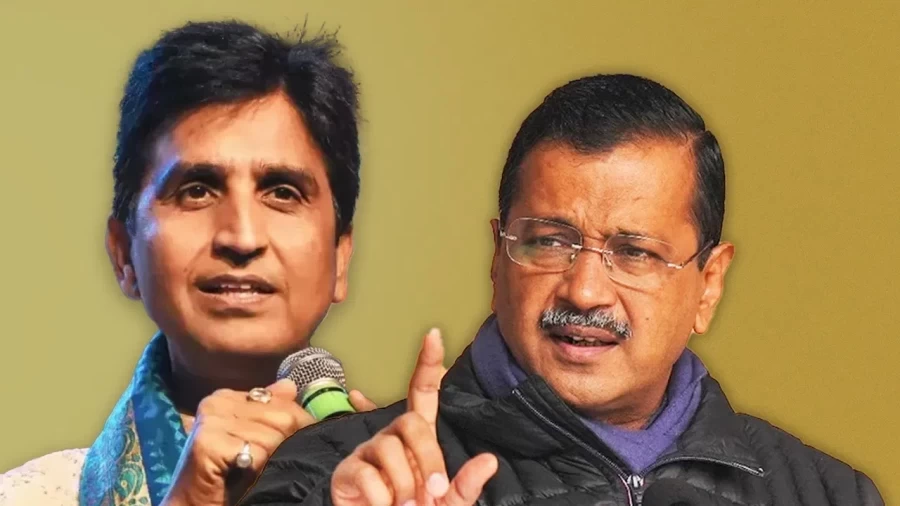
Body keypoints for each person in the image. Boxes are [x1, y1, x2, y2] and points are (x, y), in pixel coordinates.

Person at [239, 74, 884, 506]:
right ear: (498, 258)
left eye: (634, 252)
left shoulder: (827, 493)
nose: (585, 291)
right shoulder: (330, 476)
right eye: (549, 242)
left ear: (708, 284)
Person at [0, 19, 377, 506]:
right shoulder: (30, 494)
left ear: (340, 256)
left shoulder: (428, 478)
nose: (241, 237)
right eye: (197, 191)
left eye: (282, 192)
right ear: (124, 253)